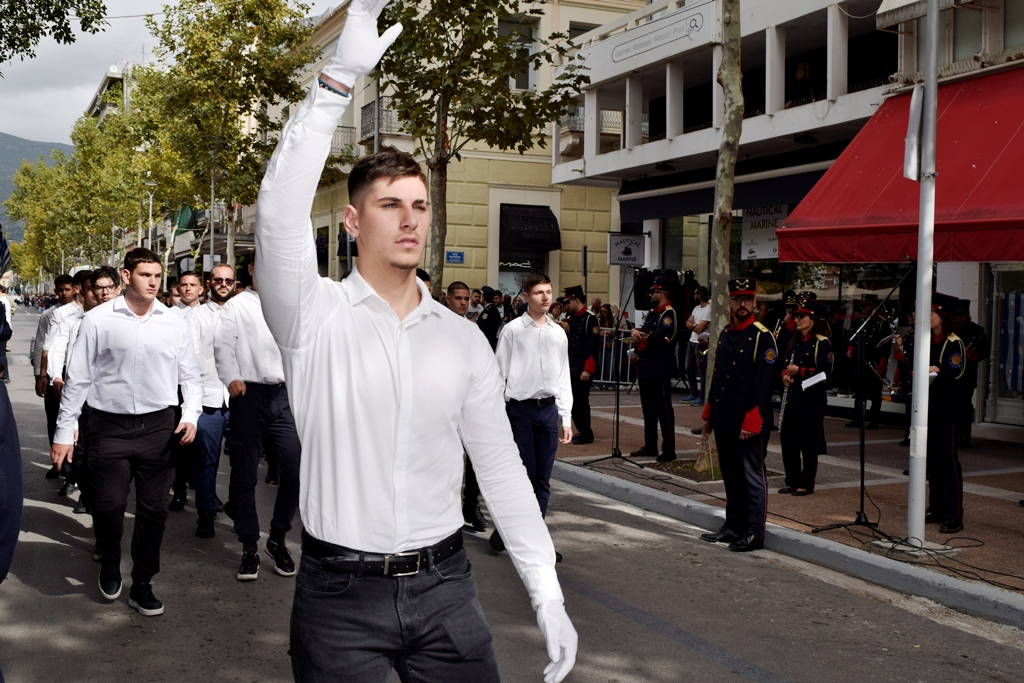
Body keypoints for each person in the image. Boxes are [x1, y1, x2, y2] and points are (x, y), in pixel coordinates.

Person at [255, 3, 577, 679]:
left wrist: (545, 586)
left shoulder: (464, 341)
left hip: (447, 591)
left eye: (420, 205)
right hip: (338, 598)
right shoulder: (312, 317)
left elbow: (500, 469)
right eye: (390, 204)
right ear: (351, 220)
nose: (410, 219)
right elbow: (279, 212)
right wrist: (338, 80)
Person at [51, 248, 202, 617]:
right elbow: (79, 378)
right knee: (108, 505)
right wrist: (64, 429)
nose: (153, 282)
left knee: (154, 511)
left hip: (159, 428)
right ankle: (109, 561)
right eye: (145, 275)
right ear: (126, 275)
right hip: (107, 427)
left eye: (156, 275)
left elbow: (191, 376)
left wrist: (191, 414)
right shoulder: (98, 320)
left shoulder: (173, 321)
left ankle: (144, 583)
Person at [214, 254, 302, 580]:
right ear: (251, 269)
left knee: (293, 472)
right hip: (247, 395)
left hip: (284, 397)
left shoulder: (291, 306)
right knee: (244, 475)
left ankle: (277, 539)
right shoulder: (237, 307)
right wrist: (231, 377)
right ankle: (249, 545)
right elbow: (222, 347)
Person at [491, 272, 572, 558]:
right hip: (520, 412)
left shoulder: (558, 332)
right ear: (526, 296)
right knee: (525, 477)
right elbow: (499, 374)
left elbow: (564, 376)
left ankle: (528, 539)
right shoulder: (513, 330)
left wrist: (566, 417)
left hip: (548, 412)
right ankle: (515, 532)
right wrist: (496, 417)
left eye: (549, 292)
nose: (546, 297)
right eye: (539, 292)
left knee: (543, 480)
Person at [700, 278, 778, 552]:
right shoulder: (724, 333)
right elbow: (719, 376)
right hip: (725, 418)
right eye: (737, 299)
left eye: (747, 299)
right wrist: (710, 411)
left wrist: (753, 419)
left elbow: (764, 384)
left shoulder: (762, 336)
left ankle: (755, 533)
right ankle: (734, 526)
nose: (742, 304)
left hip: (748, 420)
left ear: (755, 303)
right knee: (731, 477)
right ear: (731, 302)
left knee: (752, 477)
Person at [184, 264, 235, 532]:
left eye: (228, 280)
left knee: (243, 461)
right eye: (218, 280)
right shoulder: (196, 318)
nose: (223, 284)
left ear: (235, 284)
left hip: (240, 401)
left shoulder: (245, 314)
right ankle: (205, 513)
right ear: (209, 283)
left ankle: (239, 507)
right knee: (206, 461)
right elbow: (189, 361)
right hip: (208, 400)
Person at [778, 299, 833, 496]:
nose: (798, 319)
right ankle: (791, 480)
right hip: (793, 398)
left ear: (813, 320)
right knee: (789, 441)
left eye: (802, 316)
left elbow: (826, 374)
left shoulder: (821, 342)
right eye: (797, 316)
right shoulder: (794, 342)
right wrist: (785, 376)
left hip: (812, 400)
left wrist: (800, 371)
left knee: (808, 443)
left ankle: (806, 483)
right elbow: (783, 366)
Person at [447, 281, 487, 532]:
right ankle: (446, 509)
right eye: (458, 298)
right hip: (444, 404)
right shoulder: (437, 327)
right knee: (447, 459)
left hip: (469, 403)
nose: (463, 303)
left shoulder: (474, 329)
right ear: (448, 299)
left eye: (466, 299)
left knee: (475, 458)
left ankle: (471, 506)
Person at [926, 293, 967, 534]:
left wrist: (934, 371)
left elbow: (953, 373)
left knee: (948, 462)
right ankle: (937, 507)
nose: (927, 317)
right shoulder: (928, 340)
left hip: (948, 410)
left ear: (942, 317)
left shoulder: (954, 342)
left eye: (931, 313)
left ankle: (955, 514)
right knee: (933, 462)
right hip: (930, 409)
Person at [629, 275, 680, 462]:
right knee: (648, 410)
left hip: (659, 369)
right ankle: (650, 444)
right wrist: (637, 334)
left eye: (655, 291)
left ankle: (669, 448)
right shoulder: (653, 313)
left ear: (663, 293)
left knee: (663, 410)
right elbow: (646, 334)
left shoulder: (668, 314)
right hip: (646, 368)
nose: (651, 294)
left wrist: (638, 335)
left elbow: (657, 338)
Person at [33, 274, 74, 479]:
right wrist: (40, 375)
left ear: (75, 289)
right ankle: (57, 462)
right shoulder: (49, 314)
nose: (64, 293)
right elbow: (41, 344)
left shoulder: (81, 314)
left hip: (71, 373)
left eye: (67, 289)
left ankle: (72, 466)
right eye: (60, 290)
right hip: (51, 374)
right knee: (53, 420)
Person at [846, 293, 890, 430]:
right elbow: (854, 338)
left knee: (875, 393)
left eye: (866, 306)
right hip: (860, 361)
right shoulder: (861, 322)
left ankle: (873, 420)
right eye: (862, 306)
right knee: (860, 393)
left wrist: (883, 363)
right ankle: (857, 418)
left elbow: (886, 345)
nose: (863, 308)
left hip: (874, 362)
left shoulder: (882, 323)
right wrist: (851, 348)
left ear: (873, 306)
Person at [564, 284, 601, 445]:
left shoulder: (589, 318)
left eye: (568, 302)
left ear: (576, 300)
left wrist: (588, 369)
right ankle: (582, 430)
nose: (567, 305)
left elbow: (593, 347)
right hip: (572, 365)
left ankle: (586, 432)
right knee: (572, 402)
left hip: (582, 367)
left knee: (581, 401)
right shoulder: (573, 318)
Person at [954, 299, 989, 447]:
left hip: (967, 373)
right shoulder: (952, 330)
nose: (958, 318)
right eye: (956, 315)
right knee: (953, 404)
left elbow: (985, 351)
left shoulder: (977, 330)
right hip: (952, 373)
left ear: (967, 314)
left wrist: (971, 356)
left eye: (961, 315)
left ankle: (964, 435)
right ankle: (954, 434)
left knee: (965, 405)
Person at [682, 285, 711, 405]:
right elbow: (688, 323)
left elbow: (701, 328)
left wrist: (693, 326)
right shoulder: (696, 308)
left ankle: (702, 395)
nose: (694, 296)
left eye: (695, 294)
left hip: (702, 342)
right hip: (692, 341)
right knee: (689, 368)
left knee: (702, 369)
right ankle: (693, 393)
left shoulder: (708, 309)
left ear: (700, 295)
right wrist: (695, 326)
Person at [477, 285, 503, 350]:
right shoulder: (494, 309)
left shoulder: (488, 311)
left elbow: (482, 328)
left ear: (484, 298)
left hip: (487, 343)